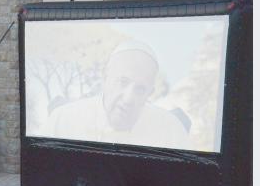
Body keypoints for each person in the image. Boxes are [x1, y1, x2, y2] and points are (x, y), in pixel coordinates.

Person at [50, 41, 190, 149]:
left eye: (140, 89)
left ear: (149, 94)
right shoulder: (63, 120)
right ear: (105, 78)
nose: (128, 99)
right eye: (123, 82)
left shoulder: (172, 131)